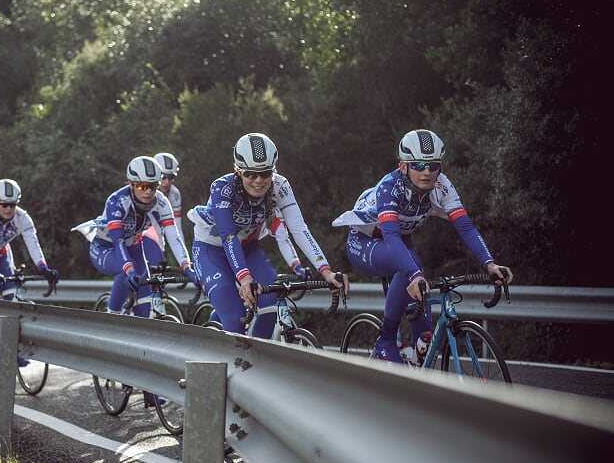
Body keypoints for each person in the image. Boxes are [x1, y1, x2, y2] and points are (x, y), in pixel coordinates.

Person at [332, 128, 513, 363]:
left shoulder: (442, 186)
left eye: (433, 165)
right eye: (417, 165)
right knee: (412, 266)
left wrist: (489, 264)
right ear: (403, 166)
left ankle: (420, 347)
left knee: (419, 283)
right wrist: (414, 273)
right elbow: (391, 237)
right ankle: (386, 339)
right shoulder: (390, 187)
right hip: (367, 241)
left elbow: (466, 227)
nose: (426, 171)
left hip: (399, 240)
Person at [187, 132, 347, 336]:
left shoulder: (280, 185)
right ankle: (222, 338)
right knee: (235, 318)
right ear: (238, 171)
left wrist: (326, 271)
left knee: (272, 300)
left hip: (247, 249)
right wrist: (244, 278)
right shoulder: (222, 188)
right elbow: (228, 236)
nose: (259, 181)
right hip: (211, 249)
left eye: (265, 173)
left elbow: (299, 229)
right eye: (250, 174)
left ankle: (254, 361)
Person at [73, 156, 198, 317]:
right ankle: (112, 315)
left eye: (153, 186)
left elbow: (174, 236)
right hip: (106, 247)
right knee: (126, 270)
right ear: (131, 183)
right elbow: (118, 241)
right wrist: (129, 269)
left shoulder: (162, 201)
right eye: (142, 186)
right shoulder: (117, 201)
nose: (148, 191)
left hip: (135, 247)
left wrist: (186, 266)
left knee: (146, 308)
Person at [0, 178, 59, 301]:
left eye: (12, 204)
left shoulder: (23, 218)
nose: (8, 209)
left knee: (10, 292)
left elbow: (33, 244)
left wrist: (43, 268)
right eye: (4, 205)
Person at [140, 151, 186, 269]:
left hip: (157, 235)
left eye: (171, 177)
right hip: (139, 234)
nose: (166, 182)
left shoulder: (174, 194)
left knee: (159, 270)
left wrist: (184, 260)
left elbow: (177, 229)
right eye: (163, 176)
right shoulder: (142, 189)